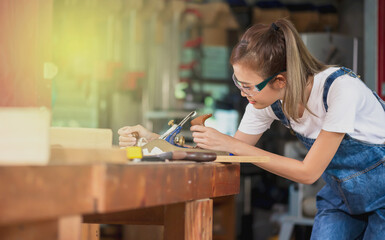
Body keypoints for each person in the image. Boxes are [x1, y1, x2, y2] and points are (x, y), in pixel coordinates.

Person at [118, 18, 385, 239]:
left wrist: (233, 144)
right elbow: (223, 157)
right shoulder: (265, 101)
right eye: (239, 82)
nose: (244, 93)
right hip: (342, 197)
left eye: (248, 85)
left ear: (280, 80)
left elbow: (308, 172)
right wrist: (155, 143)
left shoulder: (340, 90)